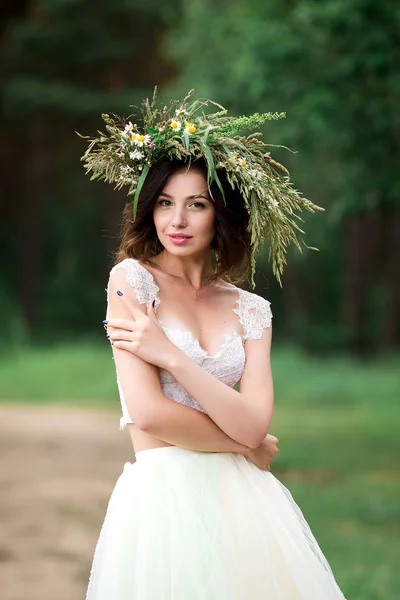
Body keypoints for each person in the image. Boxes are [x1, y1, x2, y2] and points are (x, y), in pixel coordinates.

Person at [81, 90, 346, 599]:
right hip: (164, 502)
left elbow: (256, 422)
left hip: (245, 503)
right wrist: (245, 446)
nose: (176, 221)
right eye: (164, 203)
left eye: (195, 205)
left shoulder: (251, 311)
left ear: (220, 214)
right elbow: (149, 414)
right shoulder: (130, 282)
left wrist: (169, 355)